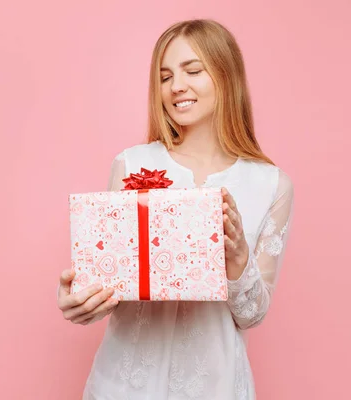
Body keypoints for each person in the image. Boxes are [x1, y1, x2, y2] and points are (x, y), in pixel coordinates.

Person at [57, 19, 294, 399]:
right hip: (125, 382)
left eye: (193, 71)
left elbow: (252, 314)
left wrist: (237, 259)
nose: (176, 87)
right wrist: (81, 300)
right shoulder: (131, 164)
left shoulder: (271, 184)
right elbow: (112, 280)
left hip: (215, 385)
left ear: (226, 74)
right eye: (165, 77)